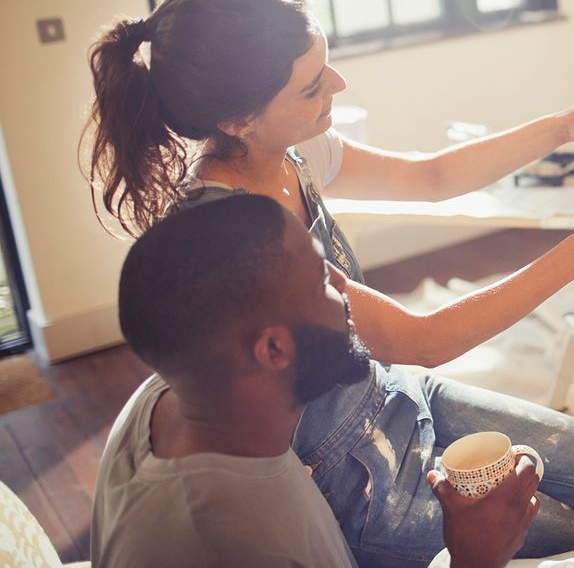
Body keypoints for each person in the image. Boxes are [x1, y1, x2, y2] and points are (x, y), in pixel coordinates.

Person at [84, 0, 574, 566]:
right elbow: (422, 339)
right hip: (360, 478)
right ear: (237, 120)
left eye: (327, 65)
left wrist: (567, 125)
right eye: (312, 84)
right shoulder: (236, 235)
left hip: (394, 393)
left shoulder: (287, 149)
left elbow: (433, 177)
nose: (338, 85)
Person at [92, 194, 540, 567]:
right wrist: (473, 560)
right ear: (273, 350)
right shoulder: (237, 543)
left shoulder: (175, 392)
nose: (344, 285)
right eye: (322, 278)